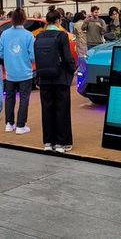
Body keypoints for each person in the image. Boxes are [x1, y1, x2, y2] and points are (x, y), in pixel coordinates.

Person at [35, 11, 76, 153]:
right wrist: (72, 70)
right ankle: (62, 143)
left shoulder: (39, 36)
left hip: (44, 77)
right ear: (58, 21)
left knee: (47, 110)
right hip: (60, 78)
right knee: (62, 110)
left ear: (47, 21)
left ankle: (48, 142)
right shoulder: (62, 35)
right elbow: (67, 57)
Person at [0, 8, 35, 134]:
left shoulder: (5, 34)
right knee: (24, 99)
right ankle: (21, 125)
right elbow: (33, 56)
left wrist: (9, 57)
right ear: (24, 19)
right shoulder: (29, 35)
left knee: (9, 98)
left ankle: (9, 123)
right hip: (25, 72)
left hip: (10, 73)